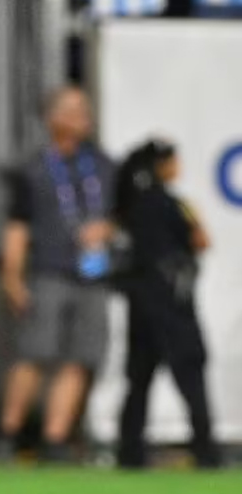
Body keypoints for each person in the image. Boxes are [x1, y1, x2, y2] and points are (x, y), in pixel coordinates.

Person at [0, 86, 116, 462]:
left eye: (84, 109)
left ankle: (55, 438)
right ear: (51, 117)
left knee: (80, 357)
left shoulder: (105, 166)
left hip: (92, 277)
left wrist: (106, 229)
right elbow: (17, 226)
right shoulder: (32, 168)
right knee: (34, 353)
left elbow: (120, 214)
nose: (80, 116)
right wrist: (13, 276)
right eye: (70, 109)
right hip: (47, 273)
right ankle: (8, 434)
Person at [113, 139, 222, 469]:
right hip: (173, 304)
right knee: (191, 374)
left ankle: (130, 453)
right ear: (162, 166)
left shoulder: (128, 204)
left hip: (141, 302)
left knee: (139, 379)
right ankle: (206, 451)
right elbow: (202, 240)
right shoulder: (175, 205)